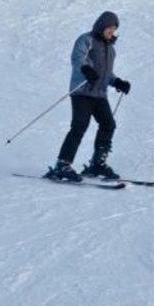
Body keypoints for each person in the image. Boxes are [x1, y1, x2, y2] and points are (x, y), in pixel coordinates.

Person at [47, 12, 130, 183]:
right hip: (82, 91)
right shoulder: (87, 39)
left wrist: (118, 82)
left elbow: (106, 74)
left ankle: (97, 164)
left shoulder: (110, 49)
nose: (111, 31)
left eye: (114, 29)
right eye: (109, 28)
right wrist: (86, 69)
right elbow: (78, 58)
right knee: (79, 126)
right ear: (101, 26)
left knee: (108, 124)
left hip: (99, 94)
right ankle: (62, 165)